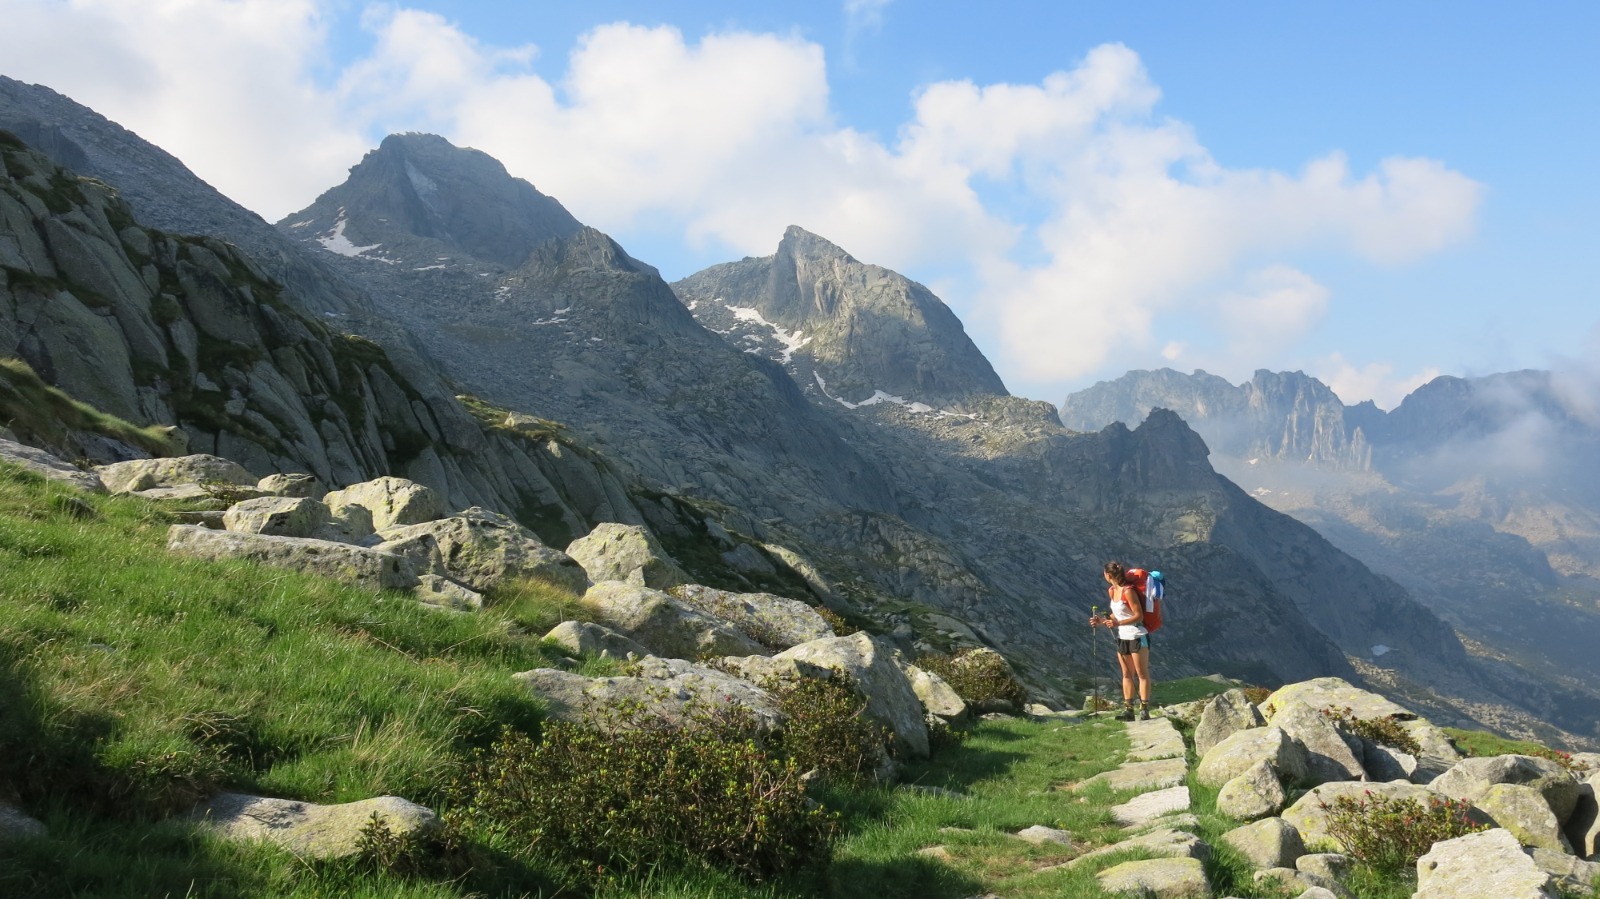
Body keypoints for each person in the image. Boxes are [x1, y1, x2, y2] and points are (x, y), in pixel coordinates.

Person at [1090, 561, 1154, 720]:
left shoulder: (1129, 591)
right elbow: (1118, 614)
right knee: (1126, 674)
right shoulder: (1113, 591)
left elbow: (1138, 615)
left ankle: (1144, 709)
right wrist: (1102, 621)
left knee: (1142, 673)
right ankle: (1129, 710)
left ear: (1108, 575)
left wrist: (1117, 623)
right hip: (1123, 636)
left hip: (1137, 635)